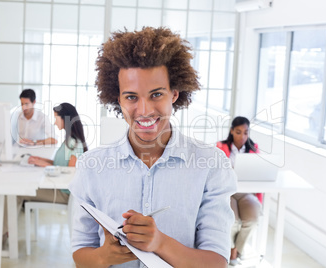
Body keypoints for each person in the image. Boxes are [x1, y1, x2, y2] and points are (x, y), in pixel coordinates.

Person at [69, 27, 237, 267]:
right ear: (118, 100)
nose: (145, 110)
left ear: (174, 94)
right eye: (131, 97)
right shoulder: (91, 167)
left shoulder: (211, 165)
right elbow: (80, 255)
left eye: (156, 94)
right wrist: (103, 256)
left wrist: (160, 243)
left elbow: (216, 262)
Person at [0, 102, 87, 249]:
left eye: (56, 118)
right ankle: (3, 234)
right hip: (58, 190)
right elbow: (60, 163)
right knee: (16, 191)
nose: (54, 121)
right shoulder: (69, 141)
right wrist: (40, 160)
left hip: (63, 194)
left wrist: (44, 165)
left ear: (65, 119)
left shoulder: (74, 143)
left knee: (16, 193)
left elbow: (69, 174)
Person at [216, 116, 262, 266]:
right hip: (227, 192)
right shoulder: (220, 146)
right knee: (233, 221)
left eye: (245, 133)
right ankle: (230, 250)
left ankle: (237, 249)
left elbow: (258, 176)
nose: (242, 136)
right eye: (238, 132)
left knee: (253, 219)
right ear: (231, 131)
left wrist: (258, 200)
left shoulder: (254, 149)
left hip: (246, 193)